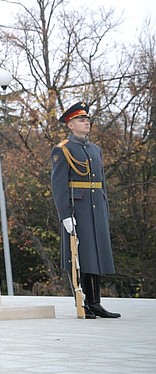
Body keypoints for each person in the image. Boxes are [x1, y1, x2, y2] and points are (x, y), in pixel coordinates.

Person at [51, 101, 121, 319]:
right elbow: (58, 184)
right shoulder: (63, 149)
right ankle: (82, 303)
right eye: (81, 120)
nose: (86, 122)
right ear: (70, 124)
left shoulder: (95, 150)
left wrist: (104, 207)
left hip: (96, 207)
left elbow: (101, 183)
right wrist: (65, 214)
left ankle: (95, 303)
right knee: (79, 256)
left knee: (95, 255)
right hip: (78, 209)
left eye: (87, 119)